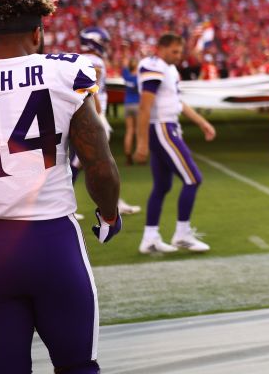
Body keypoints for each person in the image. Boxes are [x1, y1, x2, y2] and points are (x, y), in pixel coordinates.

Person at [0, 0, 122, 373]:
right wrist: (109, 215)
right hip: (51, 241)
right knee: (77, 366)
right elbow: (100, 164)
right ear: (39, 35)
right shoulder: (64, 72)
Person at [136, 32, 218, 254]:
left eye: (180, 51)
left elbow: (177, 102)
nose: (178, 55)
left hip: (168, 126)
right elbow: (144, 107)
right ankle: (182, 234)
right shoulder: (153, 65)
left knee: (162, 186)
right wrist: (141, 142)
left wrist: (202, 122)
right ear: (160, 48)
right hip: (162, 127)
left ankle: (150, 237)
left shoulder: (170, 69)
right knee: (193, 179)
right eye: (174, 51)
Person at [78, 27, 141, 215]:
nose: (104, 45)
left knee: (88, 162)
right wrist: (98, 112)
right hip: (95, 116)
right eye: (103, 42)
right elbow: (92, 89)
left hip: (90, 115)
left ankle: (114, 202)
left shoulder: (84, 58)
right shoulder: (94, 61)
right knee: (96, 163)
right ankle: (113, 204)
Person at [121, 57, 147, 165]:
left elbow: (124, 65)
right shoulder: (139, 78)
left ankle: (128, 156)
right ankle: (139, 155)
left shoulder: (126, 76)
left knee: (129, 131)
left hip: (127, 105)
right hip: (137, 104)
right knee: (138, 131)